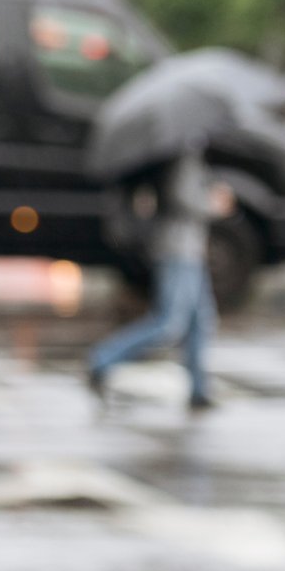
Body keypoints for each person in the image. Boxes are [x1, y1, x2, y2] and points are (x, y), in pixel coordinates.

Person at [87, 146, 227, 413]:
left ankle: (199, 390)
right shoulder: (182, 157)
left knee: (200, 321)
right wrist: (213, 203)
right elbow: (182, 198)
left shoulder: (189, 155)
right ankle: (103, 358)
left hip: (190, 250)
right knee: (169, 323)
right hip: (177, 251)